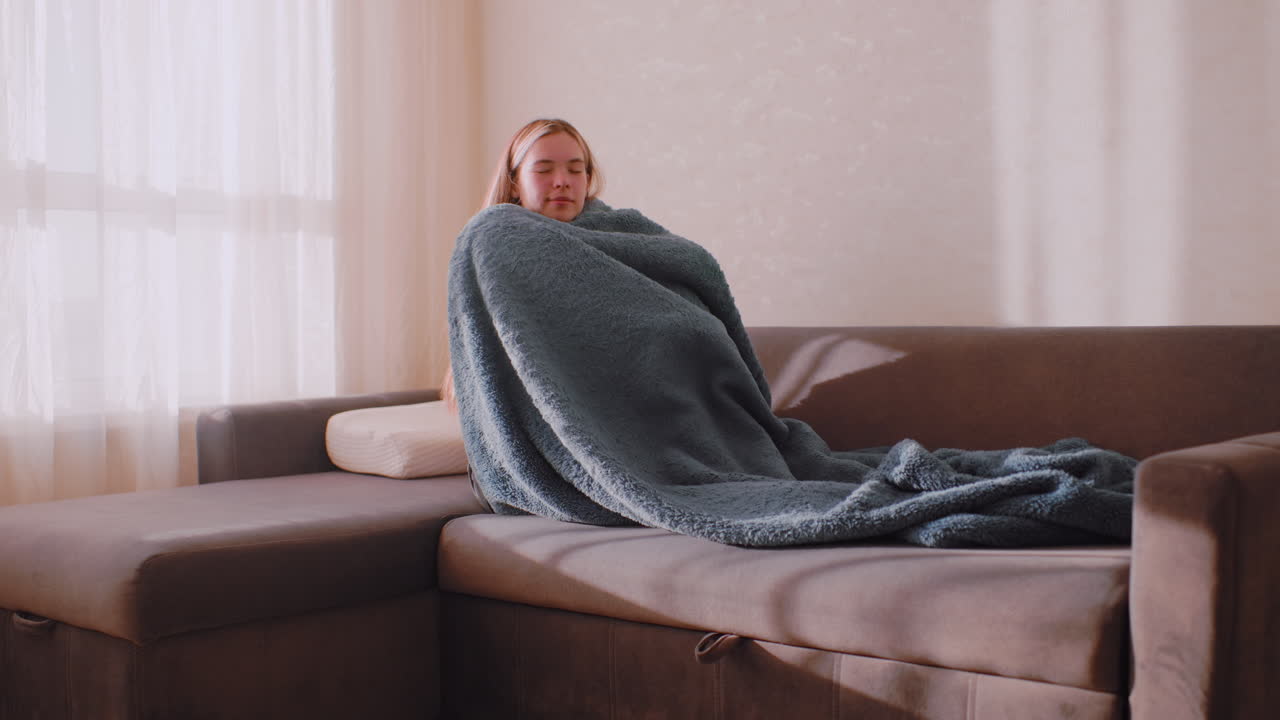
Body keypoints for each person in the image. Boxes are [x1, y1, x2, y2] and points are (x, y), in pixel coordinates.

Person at [443, 118, 604, 409]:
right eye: (544, 170)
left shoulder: (619, 240)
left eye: (575, 169)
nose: (562, 180)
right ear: (515, 182)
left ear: (588, 179)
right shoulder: (492, 243)